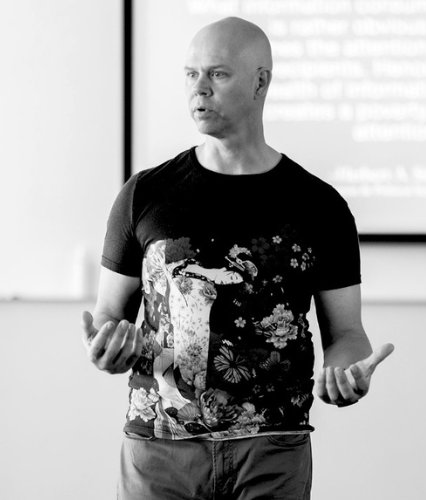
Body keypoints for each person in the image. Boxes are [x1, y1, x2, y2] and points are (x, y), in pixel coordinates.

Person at [82, 16, 394, 500]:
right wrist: (106, 347)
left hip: (271, 447)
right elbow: (109, 314)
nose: (199, 88)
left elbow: (346, 334)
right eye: (191, 74)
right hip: (161, 447)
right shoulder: (144, 194)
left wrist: (347, 373)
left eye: (218, 74)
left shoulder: (320, 206)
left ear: (260, 82)